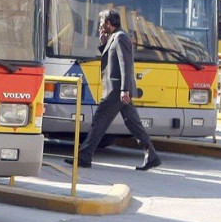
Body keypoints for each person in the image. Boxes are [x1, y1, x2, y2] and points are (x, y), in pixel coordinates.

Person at [66, 9, 161, 171]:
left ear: (109, 23)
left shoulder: (121, 37)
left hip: (116, 90)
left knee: (99, 121)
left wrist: (125, 89)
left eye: (102, 22)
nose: (100, 25)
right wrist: (103, 43)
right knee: (133, 123)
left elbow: (126, 64)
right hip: (117, 90)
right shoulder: (114, 37)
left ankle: (84, 156)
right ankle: (151, 155)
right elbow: (111, 59)